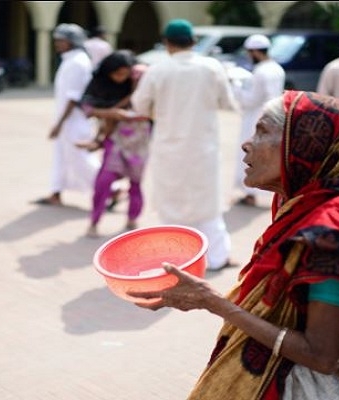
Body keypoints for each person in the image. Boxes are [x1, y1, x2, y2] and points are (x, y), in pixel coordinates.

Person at [129, 91, 339, 399]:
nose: (246, 143)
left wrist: (213, 302)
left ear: (302, 146)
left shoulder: (334, 231)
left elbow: (324, 356)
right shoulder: (298, 207)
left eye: (262, 131)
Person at [131, 19, 237, 271]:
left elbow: (140, 106)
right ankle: (217, 257)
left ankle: (175, 262)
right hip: (203, 148)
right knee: (208, 205)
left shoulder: (157, 69)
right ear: (194, 42)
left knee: (171, 207)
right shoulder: (211, 67)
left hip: (169, 149)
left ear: (167, 43)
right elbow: (226, 102)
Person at [76, 51, 151, 238]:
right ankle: (94, 222)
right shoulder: (100, 85)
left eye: (126, 74)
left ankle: (132, 219)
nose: (121, 78)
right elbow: (86, 107)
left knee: (135, 183)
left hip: (140, 142)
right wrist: (110, 114)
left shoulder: (143, 84)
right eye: (117, 74)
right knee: (104, 181)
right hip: (115, 139)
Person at [34, 23, 100, 207]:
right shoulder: (69, 60)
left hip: (73, 120)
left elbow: (74, 98)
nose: (57, 43)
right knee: (61, 157)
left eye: (61, 40)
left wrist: (59, 124)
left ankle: (112, 189)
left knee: (80, 158)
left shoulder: (78, 62)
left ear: (72, 41)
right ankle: (56, 193)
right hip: (66, 119)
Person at [230, 34, 285, 207]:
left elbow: (251, 100)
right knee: (271, 157)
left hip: (256, 119)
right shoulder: (277, 68)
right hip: (275, 118)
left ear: (254, 52)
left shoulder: (261, 71)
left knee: (250, 156)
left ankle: (250, 194)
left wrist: (236, 86)